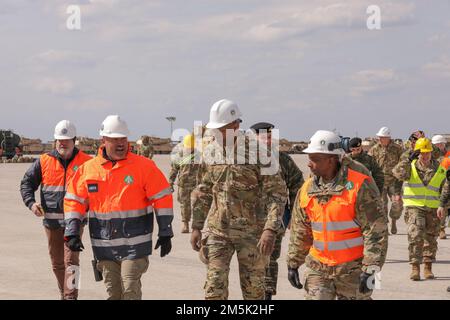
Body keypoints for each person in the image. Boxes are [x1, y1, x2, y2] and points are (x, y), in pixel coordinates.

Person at [64, 115, 174, 300]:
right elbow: (74, 200)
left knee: (130, 288)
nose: (120, 143)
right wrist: (72, 231)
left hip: (135, 244)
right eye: (115, 139)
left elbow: (162, 196)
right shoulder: (88, 169)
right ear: (103, 140)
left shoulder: (144, 166)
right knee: (114, 293)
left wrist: (165, 230)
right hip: (104, 244)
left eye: (123, 138)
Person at [190, 99, 287, 300]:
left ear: (236, 125)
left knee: (254, 293)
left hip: (252, 234)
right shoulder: (210, 151)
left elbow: (277, 193)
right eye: (214, 129)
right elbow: (203, 191)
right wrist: (197, 226)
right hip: (218, 232)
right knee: (213, 289)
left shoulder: (259, 152)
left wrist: (270, 229)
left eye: (221, 128)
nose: (216, 133)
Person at [287, 130, 387, 300]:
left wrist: (371, 268)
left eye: (315, 159)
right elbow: (300, 229)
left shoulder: (359, 185)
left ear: (332, 160)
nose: (309, 164)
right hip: (317, 267)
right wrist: (293, 263)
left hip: (354, 268)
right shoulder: (306, 189)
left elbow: (376, 231)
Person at [20, 120, 91, 300]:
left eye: (66, 139)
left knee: (71, 262)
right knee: (57, 263)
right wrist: (31, 203)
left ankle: (71, 296)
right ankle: (64, 292)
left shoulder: (87, 162)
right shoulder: (44, 161)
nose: (62, 143)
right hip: (51, 221)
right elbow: (26, 183)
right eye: (59, 139)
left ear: (74, 140)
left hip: (74, 222)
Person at [250, 122, 304, 300]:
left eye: (270, 135)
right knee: (250, 262)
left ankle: (266, 297)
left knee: (270, 260)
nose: (268, 138)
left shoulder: (282, 160)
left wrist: (293, 213)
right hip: (247, 221)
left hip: (275, 220)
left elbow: (297, 184)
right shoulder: (244, 159)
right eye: (264, 135)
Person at [392, 138, 449, 280]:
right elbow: (397, 173)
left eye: (427, 152)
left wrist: (443, 205)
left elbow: (445, 187)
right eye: (422, 153)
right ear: (417, 153)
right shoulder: (410, 166)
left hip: (433, 207)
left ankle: (428, 267)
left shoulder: (439, 167)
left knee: (430, 238)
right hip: (414, 206)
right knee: (415, 235)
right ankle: (415, 267)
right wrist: (406, 160)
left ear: (431, 152)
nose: (425, 156)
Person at [368, 127, 403, 234]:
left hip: (394, 181)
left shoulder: (397, 149)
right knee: (382, 205)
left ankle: (394, 221)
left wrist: (400, 181)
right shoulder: (374, 149)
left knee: (397, 204)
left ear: (388, 137)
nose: (380, 139)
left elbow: (403, 164)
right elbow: (368, 163)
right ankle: (386, 225)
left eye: (383, 137)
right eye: (380, 137)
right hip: (380, 182)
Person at [168, 133, 202, 233]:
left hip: (197, 184)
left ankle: (196, 226)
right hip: (183, 184)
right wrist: (170, 183)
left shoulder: (200, 155)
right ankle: (185, 224)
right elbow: (174, 170)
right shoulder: (180, 155)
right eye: (188, 147)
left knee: (198, 205)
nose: (189, 149)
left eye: (191, 147)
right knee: (184, 204)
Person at [432, 135, 450, 239]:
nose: (438, 146)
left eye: (440, 144)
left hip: (446, 184)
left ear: (444, 144)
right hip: (434, 184)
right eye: (436, 145)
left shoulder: (448, 155)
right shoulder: (431, 155)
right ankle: (435, 227)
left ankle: (441, 228)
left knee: (445, 206)